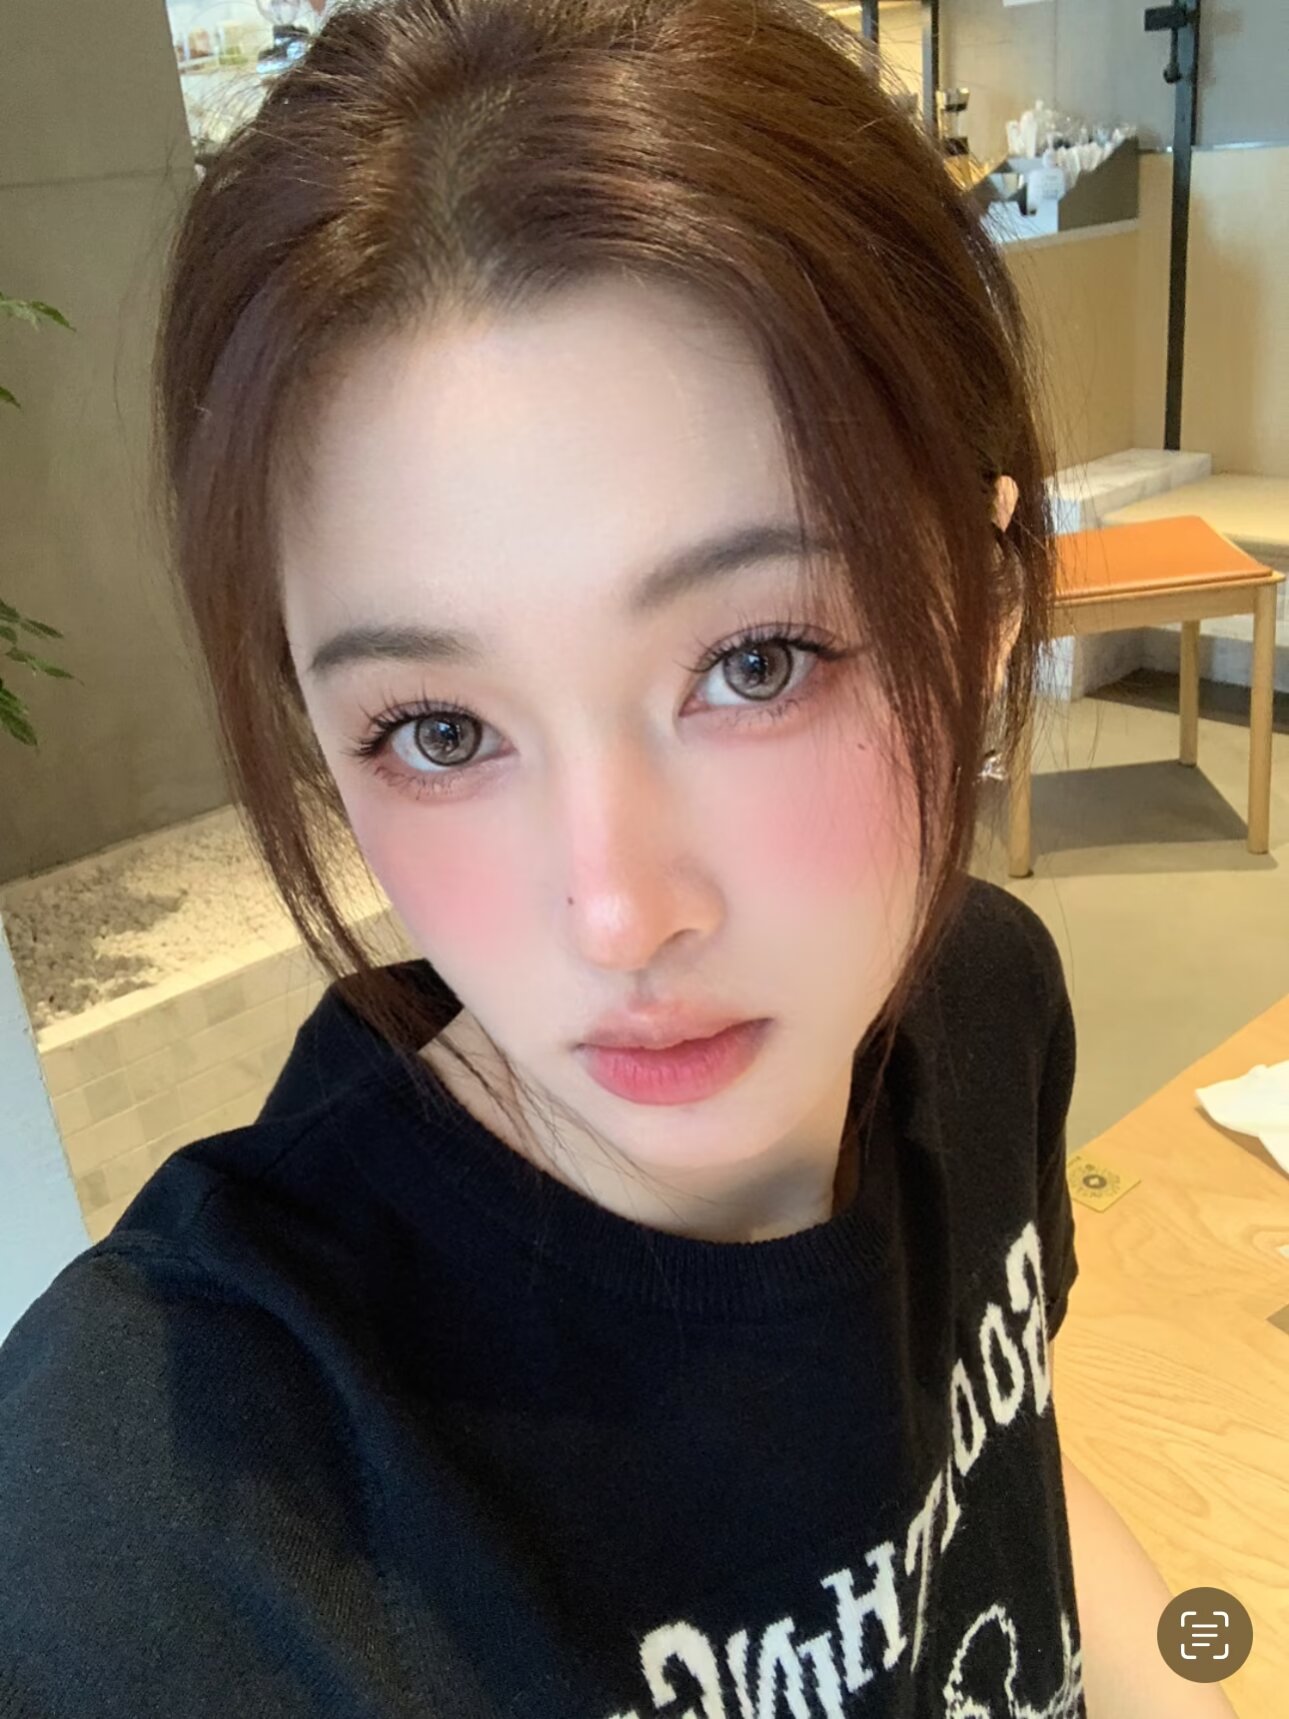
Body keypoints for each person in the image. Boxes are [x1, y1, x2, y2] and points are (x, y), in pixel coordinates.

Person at [0, 2, 1234, 1715]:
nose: (617, 912)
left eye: (757, 662)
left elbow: (1000, 1471)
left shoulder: (980, 1003)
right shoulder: (158, 1504)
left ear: (979, 607)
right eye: (440, 731)